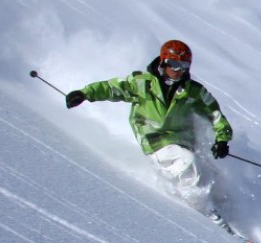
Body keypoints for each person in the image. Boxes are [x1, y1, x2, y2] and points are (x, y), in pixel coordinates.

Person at [67, 39, 234, 227]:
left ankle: (226, 210)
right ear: (163, 62)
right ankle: (201, 213)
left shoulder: (193, 91)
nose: (178, 69)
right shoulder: (143, 83)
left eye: (184, 65)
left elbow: (215, 114)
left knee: (212, 172)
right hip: (154, 139)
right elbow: (112, 88)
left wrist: (222, 139)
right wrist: (84, 93)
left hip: (183, 140)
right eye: (174, 64)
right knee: (187, 163)